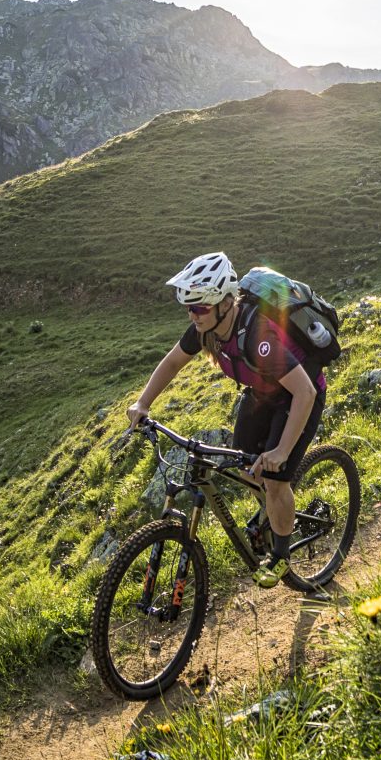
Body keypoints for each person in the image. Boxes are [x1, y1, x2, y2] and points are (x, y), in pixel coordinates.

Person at [127, 252, 325, 589]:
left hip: (298, 397)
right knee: (246, 466)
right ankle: (272, 516)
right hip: (262, 394)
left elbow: (304, 393)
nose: (193, 315)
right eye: (188, 307)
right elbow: (173, 362)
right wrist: (142, 402)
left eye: (200, 307)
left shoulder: (259, 337)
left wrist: (281, 451)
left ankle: (280, 555)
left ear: (223, 302)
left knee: (275, 476)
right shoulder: (206, 330)